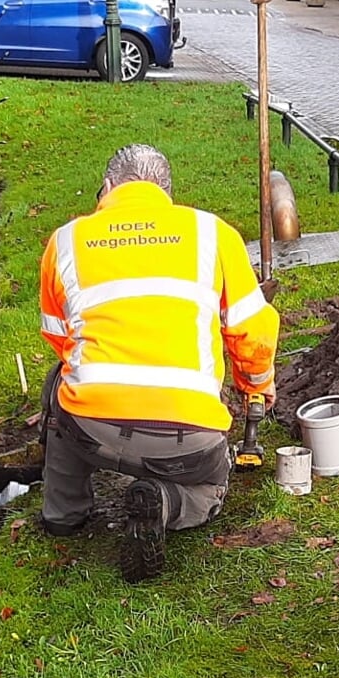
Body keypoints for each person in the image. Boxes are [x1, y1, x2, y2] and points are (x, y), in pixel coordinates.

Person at [37, 144, 281, 581]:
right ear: (166, 191)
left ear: (109, 187)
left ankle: (64, 513)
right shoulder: (212, 233)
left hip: (89, 430)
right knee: (210, 487)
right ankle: (164, 502)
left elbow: (60, 338)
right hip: (187, 443)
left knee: (59, 388)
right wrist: (256, 387)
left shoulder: (66, 240)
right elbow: (253, 334)